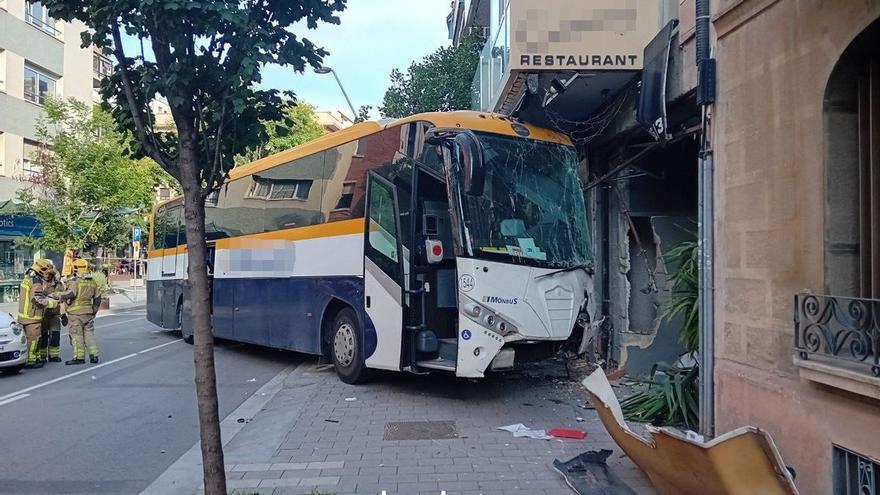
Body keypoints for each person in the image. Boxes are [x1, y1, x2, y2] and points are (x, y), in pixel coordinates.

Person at [17, 259, 62, 369]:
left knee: (32, 338)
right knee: (34, 339)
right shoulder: (36, 282)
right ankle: (31, 360)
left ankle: (36, 357)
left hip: (25, 315)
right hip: (32, 316)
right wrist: (52, 303)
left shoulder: (27, 279)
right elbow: (36, 300)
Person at [61, 259, 100, 365]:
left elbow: (70, 294)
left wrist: (58, 295)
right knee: (89, 334)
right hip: (88, 313)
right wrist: (94, 311)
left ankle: (79, 357)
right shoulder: (92, 282)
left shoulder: (74, 282)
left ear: (75, 268)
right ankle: (94, 355)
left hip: (75, 314)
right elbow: (97, 298)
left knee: (76, 335)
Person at [38, 265, 64, 363]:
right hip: (43, 314)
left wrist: (63, 314)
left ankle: (54, 356)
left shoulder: (58, 284)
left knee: (55, 335)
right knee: (43, 335)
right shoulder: (39, 283)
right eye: (46, 274)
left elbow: (62, 297)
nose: (47, 276)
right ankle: (42, 356)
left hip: (54, 313)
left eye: (50, 274)